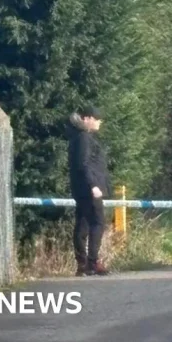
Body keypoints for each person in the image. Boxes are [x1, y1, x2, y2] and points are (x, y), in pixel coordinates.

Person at [67, 106, 110, 276]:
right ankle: (92, 262)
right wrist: (93, 185)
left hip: (81, 188)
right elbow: (83, 164)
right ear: (86, 119)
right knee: (97, 223)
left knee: (83, 223)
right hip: (89, 188)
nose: (99, 122)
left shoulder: (78, 137)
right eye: (96, 118)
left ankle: (82, 264)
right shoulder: (84, 138)